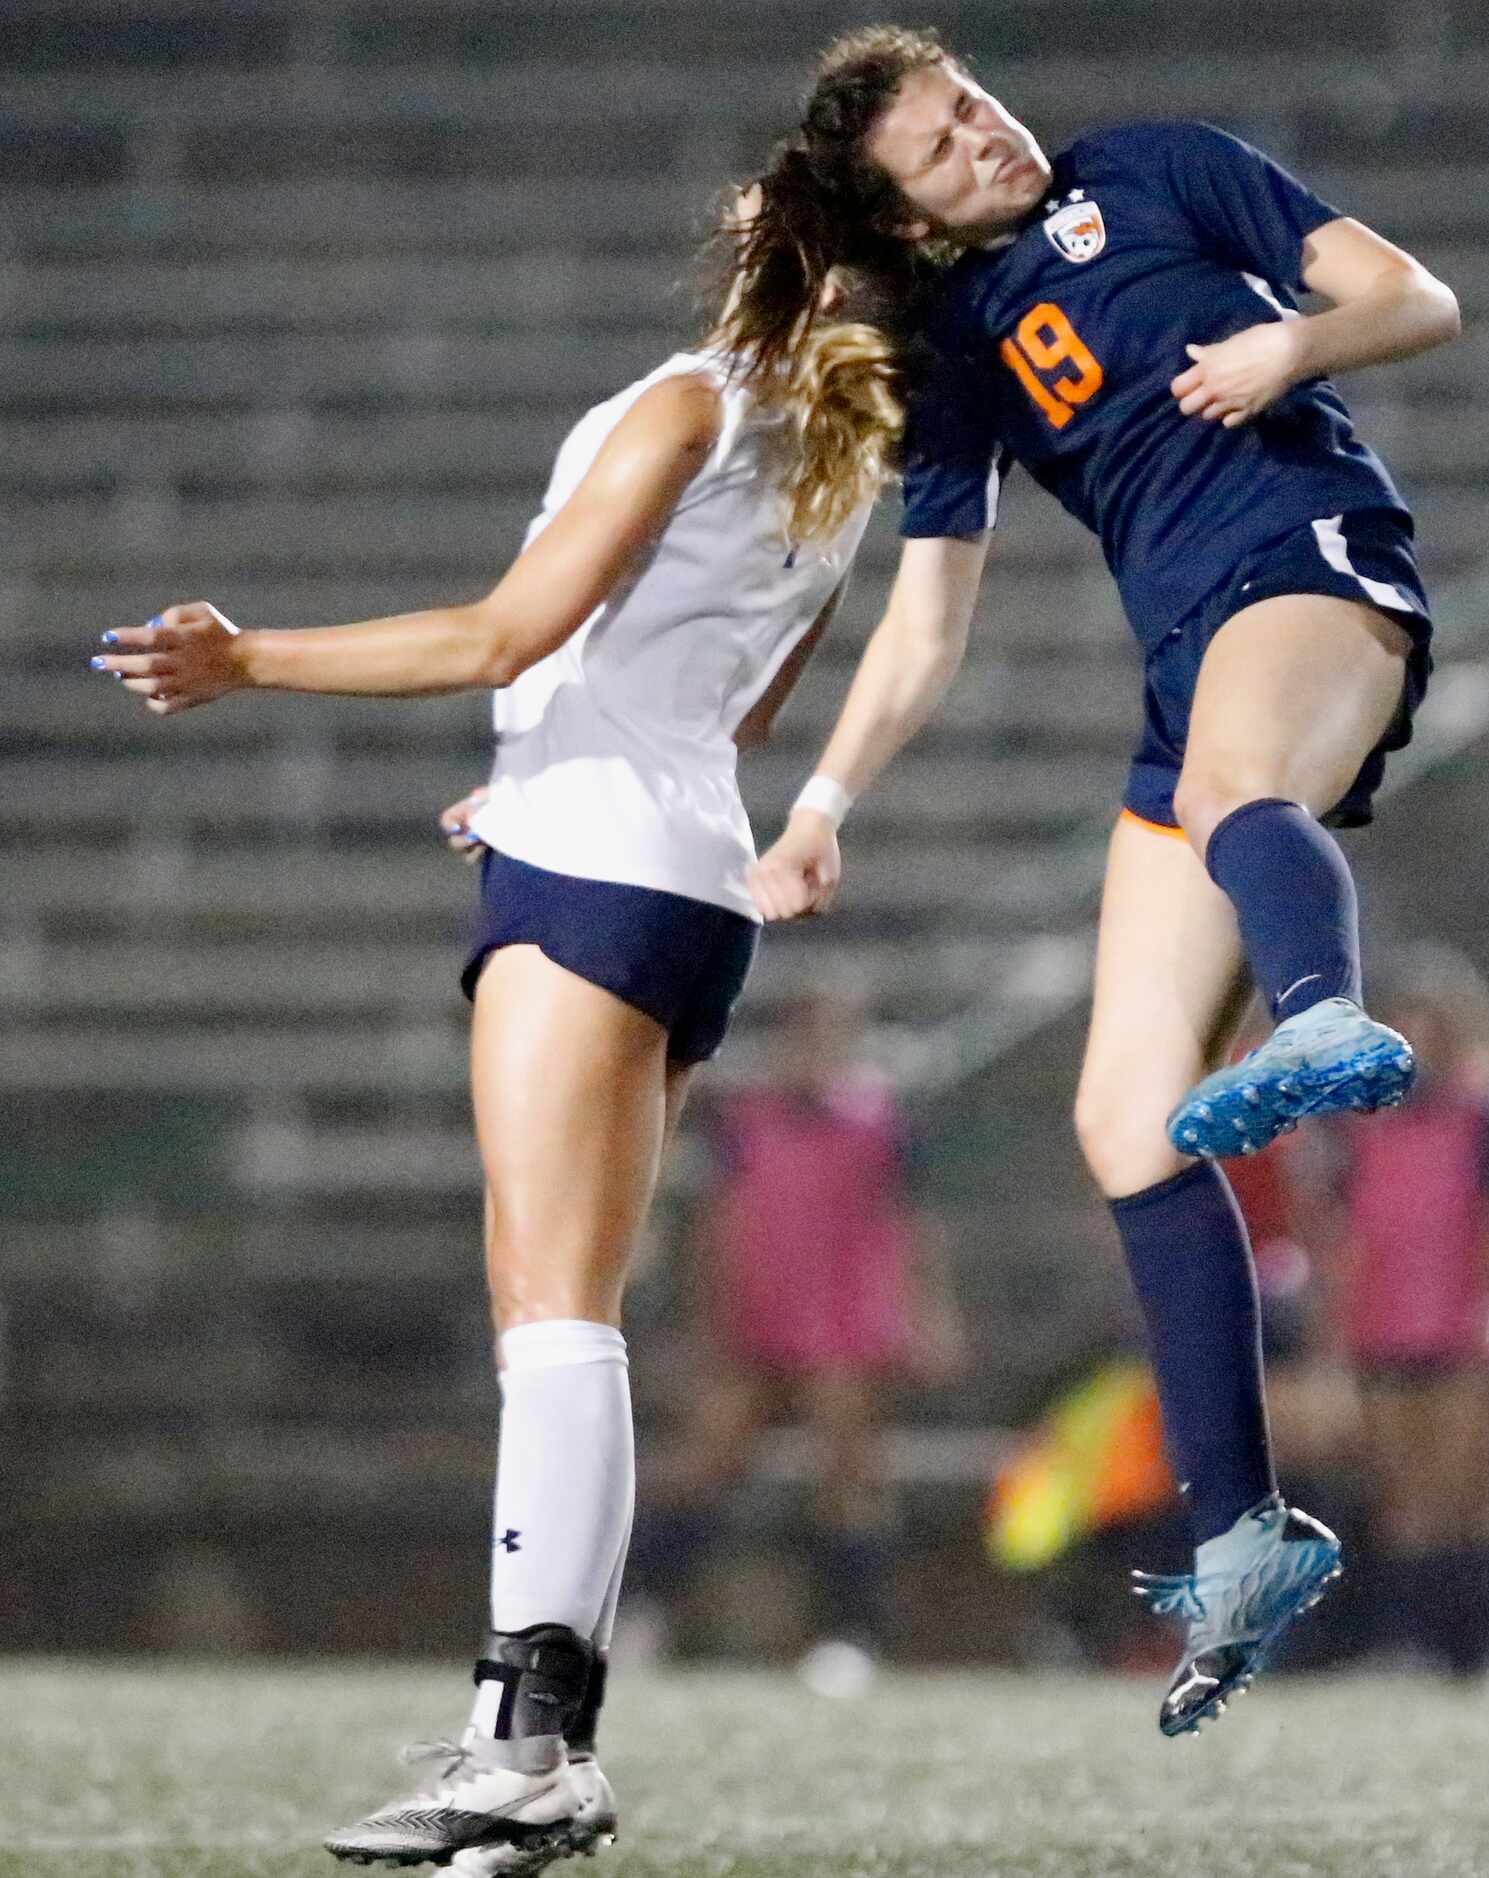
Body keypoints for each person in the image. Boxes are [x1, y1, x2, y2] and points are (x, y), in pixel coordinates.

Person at [89, 201, 910, 1870]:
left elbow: (498, 631)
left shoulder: (700, 397)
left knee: (548, 1319)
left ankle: (530, 1731)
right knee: (569, 1312)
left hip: (595, 865)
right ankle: (522, 1736)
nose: (754, 191)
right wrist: (533, 761)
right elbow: (728, 703)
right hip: (679, 869)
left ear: (804, 258)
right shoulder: (837, 447)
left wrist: (248, 658)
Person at [741, 26, 1463, 1734]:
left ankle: (1318, 1011)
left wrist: (1291, 342)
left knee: (1233, 781)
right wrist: (826, 795)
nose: (983, 135)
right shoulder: (951, 344)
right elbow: (927, 614)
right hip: (1184, 671)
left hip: (1310, 567)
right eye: (937, 144)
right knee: (1124, 1122)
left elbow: (1411, 297)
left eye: (969, 101)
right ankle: (1239, 1534)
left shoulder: (1155, 164)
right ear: (908, 220)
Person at [631, 977, 965, 1691]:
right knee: (704, 1463)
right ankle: (643, 1614)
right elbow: (717, 1225)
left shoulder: (883, 1118)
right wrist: (702, 1319)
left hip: (845, 1314)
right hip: (759, 1308)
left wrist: (928, 1313)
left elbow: (911, 1222)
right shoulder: (744, 1119)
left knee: (847, 1473)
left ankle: (850, 1632)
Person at [1326, 948, 1489, 1694]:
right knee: (1407, 1497)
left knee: (1483, 1491)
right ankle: (1411, 1644)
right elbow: (1348, 1231)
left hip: (1465, 1327)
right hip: (1390, 1325)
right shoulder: (1366, 1120)